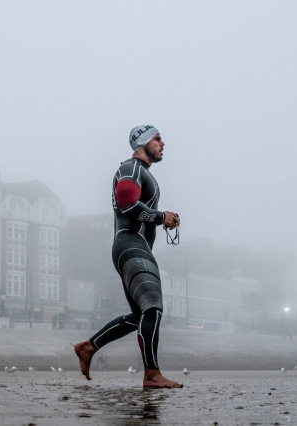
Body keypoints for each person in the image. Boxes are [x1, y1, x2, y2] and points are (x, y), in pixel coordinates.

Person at [74, 125, 182, 388]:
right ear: (143, 142)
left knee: (139, 315)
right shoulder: (130, 169)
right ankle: (152, 374)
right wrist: (160, 216)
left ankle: (89, 346)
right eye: (157, 138)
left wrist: (162, 219)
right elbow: (127, 204)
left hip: (132, 246)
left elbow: (136, 209)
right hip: (130, 245)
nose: (163, 143)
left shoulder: (142, 173)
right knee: (153, 306)